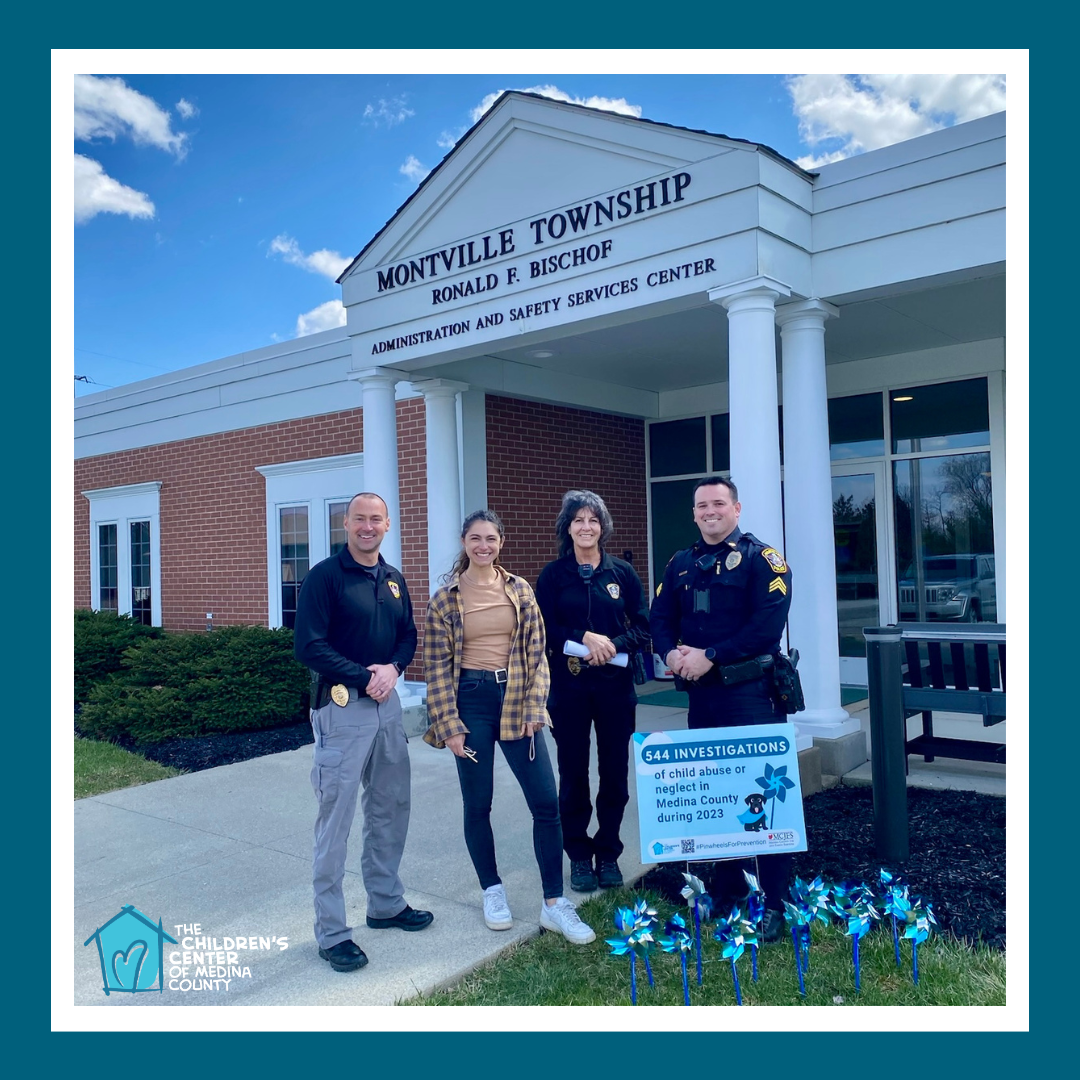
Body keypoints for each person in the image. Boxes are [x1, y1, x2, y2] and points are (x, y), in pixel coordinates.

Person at [423, 510, 595, 945]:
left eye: (491, 539)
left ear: (501, 542)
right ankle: (492, 890)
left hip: (517, 697)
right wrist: (449, 724)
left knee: (546, 802)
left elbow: (538, 653)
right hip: (471, 701)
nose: (484, 546)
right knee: (478, 803)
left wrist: (536, 705)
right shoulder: (445, 599)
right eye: (476, 538)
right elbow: (436, 667)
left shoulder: (519, 589)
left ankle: (554, 903)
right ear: (464, 542)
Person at [649, 476, 794, 942]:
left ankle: (775, 901)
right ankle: (728, 886)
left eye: (718, 503)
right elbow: (660, 617)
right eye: (701, 506)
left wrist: (710, 655)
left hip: (751, 694)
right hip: (703, 698)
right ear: (694, 513)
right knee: (718, 794)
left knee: (765, 798)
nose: (709, 511)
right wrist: (671, 654)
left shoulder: (762, 560)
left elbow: (766, 626)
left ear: (736, 508)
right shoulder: (680, 563)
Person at [294, 492, 433, 973]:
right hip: (342, 710)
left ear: (387, 524)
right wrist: (363, 676)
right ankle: (333, 933)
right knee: (336, 818)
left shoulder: (393, 579)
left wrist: (393, 669)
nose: (368, 526)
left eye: (376, 519)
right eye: (359, 519)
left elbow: (408, 634)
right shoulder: (325, 577)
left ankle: (386, 904)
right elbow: (308, 646)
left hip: (387, 707)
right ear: (346, 523)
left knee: (390, 806)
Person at [535, 490, 650, 893]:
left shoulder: (622, 574)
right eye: (578, 520)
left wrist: (612, 645)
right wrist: (584, 638)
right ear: (567, 528)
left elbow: (644, 626)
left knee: (614, 774)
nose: (586, 527)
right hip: (568, 688)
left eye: (593, 520)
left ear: (603, 527)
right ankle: (580, 855)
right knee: (573, 774)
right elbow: (543, 628)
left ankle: (609, 852)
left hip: (615, 689)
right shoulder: (553, 575)